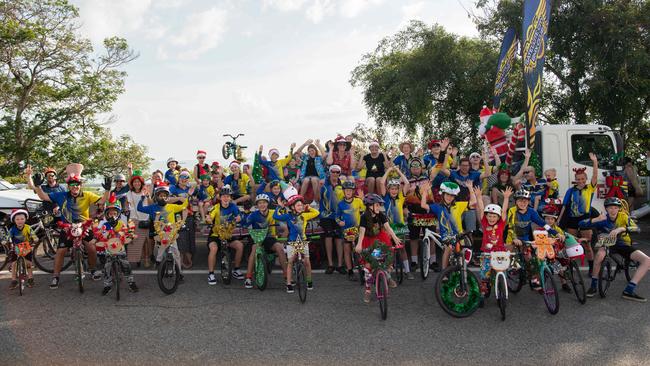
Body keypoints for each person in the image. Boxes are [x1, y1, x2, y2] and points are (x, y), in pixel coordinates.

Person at [26, 163, 110, 289]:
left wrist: (107, 190)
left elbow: (102, 201)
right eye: (72, 185)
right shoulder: (62, 195)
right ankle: (56, 276)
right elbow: (43, 196)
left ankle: (92, 270)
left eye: (77, 185)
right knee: (60, 251)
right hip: (67, 227)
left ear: (80, 185)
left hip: (84, 226)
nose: (74, 187)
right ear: (68, 186)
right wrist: (38, 186)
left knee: (92, 248)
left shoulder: (87, 195)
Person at [581, 197, 649, 302]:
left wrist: (622, 228)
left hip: (621, 244)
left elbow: (637, 229)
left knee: (647, 260)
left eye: (615, 208)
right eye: (610, 208)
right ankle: (593, 286)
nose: (613, 210)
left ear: (619, 209)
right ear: (606, 209)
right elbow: (581, 224)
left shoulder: (623, 217)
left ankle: (629, 290)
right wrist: (595, 219)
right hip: (606, 244)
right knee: (599, 256)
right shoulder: (602, 218)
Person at [506, 188, 558, 289]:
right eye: (520, 200)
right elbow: (511, 226)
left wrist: (556, 233)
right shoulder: (512, 211)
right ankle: (504, 277)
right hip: (512, 237)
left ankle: (533, 279)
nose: (522, 203)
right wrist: (514, 238)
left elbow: (543, 224)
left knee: (529, 258)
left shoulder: (531, 212)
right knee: (507, 258)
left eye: (525, 201)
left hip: (525, 238)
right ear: (516, 201)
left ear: (529, 201)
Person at [354, 193, 402, 303]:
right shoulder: (364, 217)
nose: (378, 207)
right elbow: (362, 232)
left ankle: (387, 276)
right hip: (368, 241)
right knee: (368, 267)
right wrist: (359, 244)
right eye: (376, 205)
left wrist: (395, 238)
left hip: (380, 239)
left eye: (379, 205)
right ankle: (368, 290)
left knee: (387, 258)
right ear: (369, 206)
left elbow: (388, 228)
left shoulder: (381, 215)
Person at [137, 182, 188, 281]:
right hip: (160, 234)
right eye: (160, 196)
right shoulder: (152, 207)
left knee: (176, 253)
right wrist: (143, 197)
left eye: (165, 196)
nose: (163, 198)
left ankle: (179, 273)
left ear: (168, 197)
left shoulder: (171, 207)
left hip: (172, 234)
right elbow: (140, 208)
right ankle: (160, 265)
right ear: (156, 197)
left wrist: (184, 197)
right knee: (162, 251)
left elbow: (184, 206)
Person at [558, 152, 598, 275]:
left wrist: (595, 162)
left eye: (582, 179)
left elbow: (595, 177)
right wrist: (559, 220)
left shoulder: (590, 188)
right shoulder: (571, 190)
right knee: (571, 246)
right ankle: (570, 267)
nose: (580, 181)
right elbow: (564, 206)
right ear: (575, 180)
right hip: (572, 220)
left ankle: (591, 268)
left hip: (585, 219)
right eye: (578, 179)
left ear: (586, 179)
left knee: (587, 245)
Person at [419, 181, 473, 269]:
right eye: (447, 194)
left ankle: (462, 272)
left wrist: (470, 188)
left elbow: (473, 202)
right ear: (443, 194)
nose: (449, 197)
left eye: (452, 196)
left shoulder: (458, 205)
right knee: (449, 248)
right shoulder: (438, 207)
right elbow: (423, 205)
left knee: (460, 256)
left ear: (454, 197)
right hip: (446, 236)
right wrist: (425, 192)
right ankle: (443, 272)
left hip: (459, 235)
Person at [273, 193, 320, 293]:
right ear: (292, 207)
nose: (301, 207)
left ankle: (309, 280)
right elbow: (275, 216)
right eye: (298, 205)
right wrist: (280, 207)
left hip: (302, 241)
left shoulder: (305, 215)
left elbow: (316, 213)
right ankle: (289, 283)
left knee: (307, 261)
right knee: (290, 261)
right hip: (292, 242)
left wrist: (309, 207)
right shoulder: (288, 216)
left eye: (301, 205)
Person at [472, 185, 512, 298]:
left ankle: (502, 283)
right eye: (489, 216)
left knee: (502, 270)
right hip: (487, 252)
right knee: (485, 273)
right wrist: (479, 197)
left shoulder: (500, 224)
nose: (491, 218)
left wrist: (506, 198)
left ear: (498, 218)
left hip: (500, 251)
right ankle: (485, 286)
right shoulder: (484, 223)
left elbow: (504, 211)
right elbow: (480, 208)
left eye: (494, 217)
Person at [242, 193, 288, 289]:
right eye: (260, 203)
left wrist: (285, 227)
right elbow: (244, 223)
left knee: (279, 248)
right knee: (254, 249)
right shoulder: (253, 215)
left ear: (267, 203)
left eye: (264, 203)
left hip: (269, 238)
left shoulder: (273, 213)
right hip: (257, 237)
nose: (262, 205)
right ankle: (248, 277)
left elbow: (283, 225)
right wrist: (243, 219)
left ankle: (287, 276)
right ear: (257, 205)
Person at [95, 196, 138, 295]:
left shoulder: (122, 223)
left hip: (120, 247)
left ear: (118, 214)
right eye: (110, 214)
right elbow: (98, 233)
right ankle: (107, 285)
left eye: (115, 213)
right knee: (107, 266)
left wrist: (131, 235)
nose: (112, 215)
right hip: (109, 248)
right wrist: (95, 238)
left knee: (125, 264)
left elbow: (128, 230)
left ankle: (131, 282)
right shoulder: (103, 223)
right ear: (106, 214)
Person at [205, 185, 245, 285]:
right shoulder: (216, 207)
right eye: (224, 196)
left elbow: (239, 216)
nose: (226, 198)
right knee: (213, 249)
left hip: (228, 234)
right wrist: (209, 219)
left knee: (240, 246)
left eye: (228, 196)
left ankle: (236, 269)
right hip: (215, 235)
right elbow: (210, 216)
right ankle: (211, 274)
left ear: (230, 197)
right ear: (220, 197)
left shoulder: (233, 207)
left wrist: (239, 218)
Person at [379, 166, 412, 278]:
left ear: (398, 189)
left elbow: (407, 183)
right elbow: (381, 182)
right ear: (388, 189)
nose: (394, 191)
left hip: (399, 227)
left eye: (396, 189)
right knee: (389, 249)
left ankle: (407, 271)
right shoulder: (386, 197)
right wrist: (388, 170)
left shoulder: (401, 197)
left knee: (402, 248)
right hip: (388, 227)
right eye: (391, 189)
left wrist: (398, 171)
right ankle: (388, 270)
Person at [337, 181, 365, 280]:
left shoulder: (358, 201)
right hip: (346, 230)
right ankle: (350, 271)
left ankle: (364, 268)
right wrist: (339, 222)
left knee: (360, 249)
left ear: (353, 192)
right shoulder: (340, 204)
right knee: (347, 249)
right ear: (344, 192)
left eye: (350, 190)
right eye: (346, 190)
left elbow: (365, 210)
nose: (348, 192)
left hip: (357, 229)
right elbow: (337, 217)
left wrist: (363, 199)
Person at [319, 165, 345, 274]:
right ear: (330, 172)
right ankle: (330, 264)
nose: (335, 174)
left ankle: (339, 265)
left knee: (339, 238)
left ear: (339, 173)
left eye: (337, 172)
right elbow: (318, 198)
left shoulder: (343, 185)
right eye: (333, 172)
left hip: (339, 215)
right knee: (329, 236)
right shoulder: (323, 184)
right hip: (326, 215)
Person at [7, 209, 37, 290]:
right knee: (14, 264)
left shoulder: (28, 227)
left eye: (22, 219)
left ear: (25, 219)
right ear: (14, 220)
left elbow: (33, 234)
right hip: (16, 247)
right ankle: (14, 280)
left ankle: (30, 278)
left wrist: (35, 238)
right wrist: (5, 240)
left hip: (26, 247)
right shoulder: (12, 229)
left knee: (28, 264)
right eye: (17, 219)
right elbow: (8, 236)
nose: (20, 221)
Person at [125, 170, 149, 266]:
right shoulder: (129, 193)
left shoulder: (145, 191)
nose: (137, 183)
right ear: (132, 183)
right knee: (133, 241)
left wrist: (147, 196)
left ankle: (146, 259)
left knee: (145, 241)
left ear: (141, 183)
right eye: (135, 182)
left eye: (138, 182)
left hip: (145, 218)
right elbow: (127, 205)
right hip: (133, 219)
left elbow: (150, 203)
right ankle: (135, 260)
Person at [296, 139, 327, 203]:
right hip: (306, 176)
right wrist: (305, 144)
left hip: (317, 176)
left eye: (312, 150)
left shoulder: (318, 158)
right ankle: (300, 200)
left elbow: (324, 154)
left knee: (313, 179)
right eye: (309, 151)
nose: (311, 152)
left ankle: (316, 201)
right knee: (306, 180)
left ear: (315, 151)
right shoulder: (305, 157)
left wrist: (318, 145)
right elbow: (298, 151)